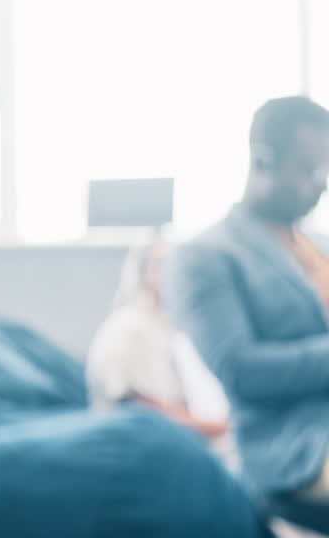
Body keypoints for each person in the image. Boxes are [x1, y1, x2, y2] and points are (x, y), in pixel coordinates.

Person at [165, 96, 329, 531]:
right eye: (310, 169)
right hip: (294, 445)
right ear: (263, 159)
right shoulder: (205, 257)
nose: (322, 183)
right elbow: (241, 369)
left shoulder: (320, 246)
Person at [87, 237, 233, 454]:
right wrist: (224, 428)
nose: (176, 273)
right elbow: (144, 412)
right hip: (136, 456)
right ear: (144, 272)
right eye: (164, 264)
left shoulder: (173, 329)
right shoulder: (128, 329)